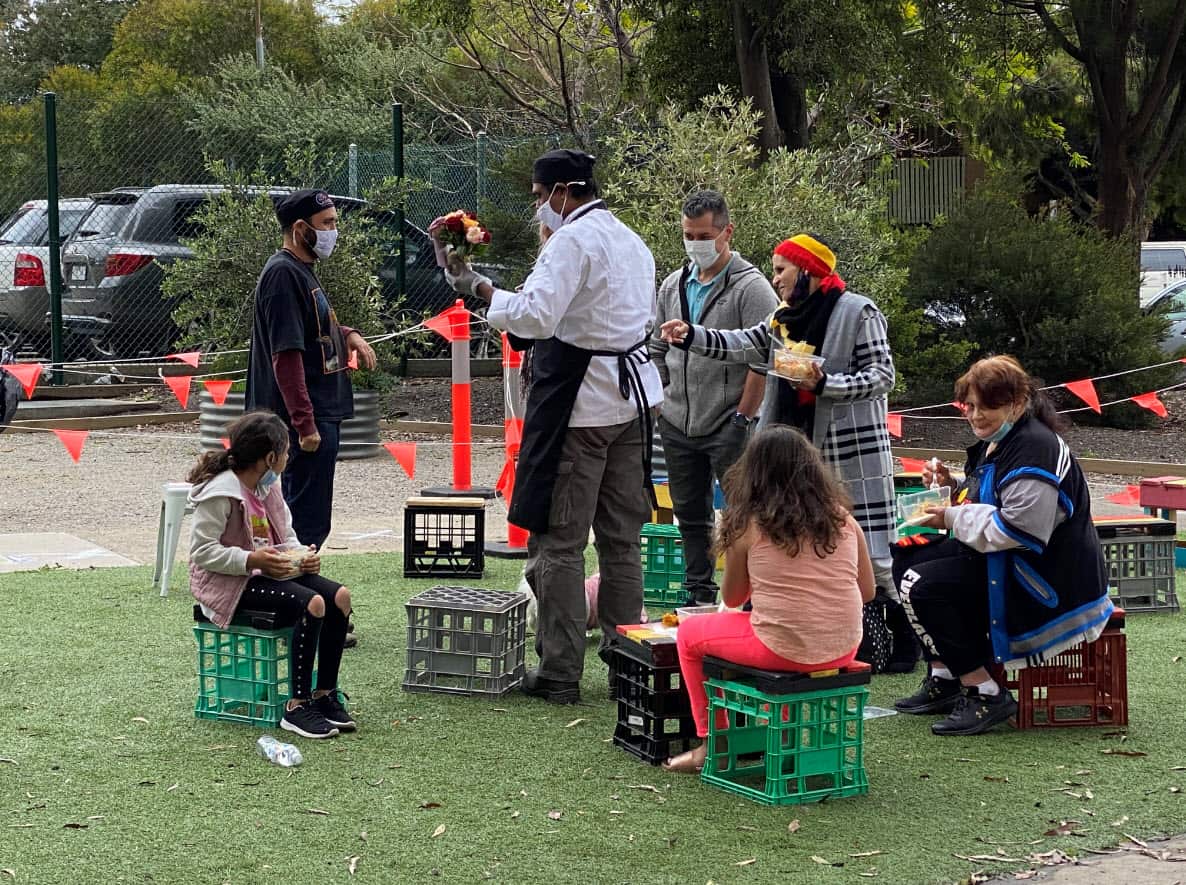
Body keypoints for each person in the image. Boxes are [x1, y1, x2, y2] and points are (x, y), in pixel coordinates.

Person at [439, 148, 663, 704]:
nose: (540, 209)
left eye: (541, 198)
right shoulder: (631, 240)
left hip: (580, 406)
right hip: (635, 401)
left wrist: (478, 287)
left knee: (560, 541)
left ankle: (561, 670)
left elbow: (536, 316)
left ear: (563, 191)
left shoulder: (572, 241)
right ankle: (626, 666)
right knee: (621, 541)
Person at [658, 234, 915, 670]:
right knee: (794, 543)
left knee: (871, 553)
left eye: (781, 269)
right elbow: (742, 343)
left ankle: (905, 644)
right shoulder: (782, 318)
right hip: (794, 455)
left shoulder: (858, 311)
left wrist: (825, 385)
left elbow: (883, 376)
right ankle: (813, 633)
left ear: (808, 271)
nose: (774, 278)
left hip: (848, 453)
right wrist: (691, 336)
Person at [891, 355, 1112, 736]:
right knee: (907, 553)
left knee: (920, 582)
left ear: (1017, 402)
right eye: (970, 406)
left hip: (1047, 581)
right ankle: (945, 676)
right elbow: (990, 498)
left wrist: (950, 517)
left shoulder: (1036, 448)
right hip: (1010, 562)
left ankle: (986, 692)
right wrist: (953, 484)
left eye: (986, 406)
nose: (976, 416)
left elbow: (1021, 528)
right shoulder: (1002, 440)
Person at [662, 425, 874, 773]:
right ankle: (781, 738)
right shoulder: (844, 521)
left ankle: (711, 744)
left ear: (752, 473)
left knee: (688, 636)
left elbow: (733, 596)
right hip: (843, 646)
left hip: (780, 648)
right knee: (772, 635)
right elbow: (866, 591)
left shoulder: (749, 525)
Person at [187, 411, 356, 740]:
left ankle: (324, 694)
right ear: (270, 457)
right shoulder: (221, 492)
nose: (289, 457)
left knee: (340, 597)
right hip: (229, 583)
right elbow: (202, 553)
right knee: (314, 604)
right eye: (286, 451)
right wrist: (250, 560)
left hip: (267, 573)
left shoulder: (269, 486)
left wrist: (302, 558)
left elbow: (286, 536)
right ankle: (297, 705)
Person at [649, 190, 779, 605]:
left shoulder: (752, 287)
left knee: (746, 513)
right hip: (677, 422)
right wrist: (663, 401)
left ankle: (755, 596)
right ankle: (698, 592)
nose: (695, 243)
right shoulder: (673, 284)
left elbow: (766, 356)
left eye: (704, 235)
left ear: (727, 232)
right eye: (689, 234)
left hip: (730, 422)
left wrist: (742, 419)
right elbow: (656, 349)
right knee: (690, 514)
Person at [245, 188, 377, 553]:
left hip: (320, 416)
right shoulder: (282, 276)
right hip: (302, 424)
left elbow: (312, 327)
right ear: (301, 228)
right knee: (300, 523)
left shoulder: (302, 272)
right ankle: (293, 593)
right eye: (327, 224)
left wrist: (348, 335)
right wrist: (304, 425)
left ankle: (300, 585)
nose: (334, 231)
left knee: (313, 518)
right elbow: (286, 356)